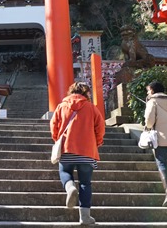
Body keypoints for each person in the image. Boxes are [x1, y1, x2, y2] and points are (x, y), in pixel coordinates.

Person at [50, 82, 105, 226]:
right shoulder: (91, 108)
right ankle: (85, 217)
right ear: (86, 93)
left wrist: (57, 139)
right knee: (86, 183)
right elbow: (100, 127)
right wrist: (97, 142)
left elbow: (54, 125)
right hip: (87, 150)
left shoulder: (62, 106)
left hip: (67, 148)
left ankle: (70, 187)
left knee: (64, 172)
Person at [144, 81, 167, 206]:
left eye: (149, 90)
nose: (148, 93)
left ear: (153, 90)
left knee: (160, 162)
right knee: (164, 160)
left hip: (161, 137)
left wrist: (147, 127)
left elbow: (149, 120)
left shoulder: (152, 101)